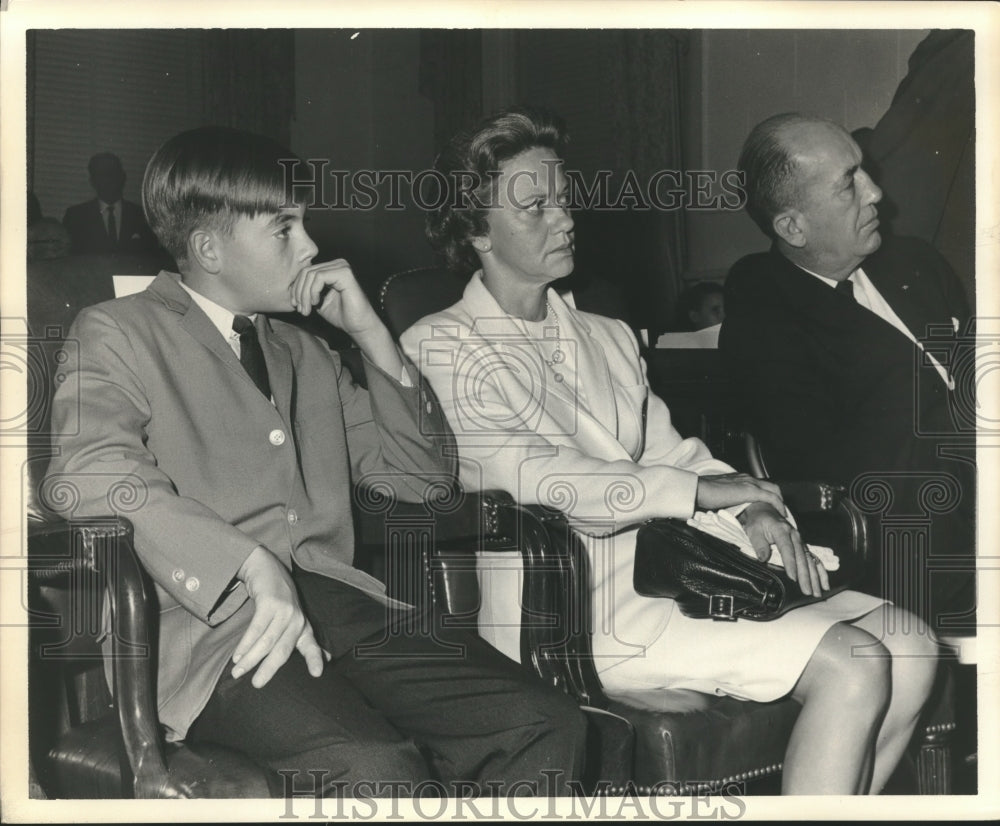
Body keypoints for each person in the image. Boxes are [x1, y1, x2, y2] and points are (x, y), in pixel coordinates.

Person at [401, 107, 938, 795]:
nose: (564, 219)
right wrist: (697, 494)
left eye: (563, 200)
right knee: (857, 659)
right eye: (535, 207)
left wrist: (749, 507)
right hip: (569, 602)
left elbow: (675, 452)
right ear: (475, 230)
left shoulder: (609, 335)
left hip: (676, 574)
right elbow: (536, 477)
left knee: (914, 645)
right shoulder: (438, 346)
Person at [43, 126, 586, 798]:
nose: (311, 246)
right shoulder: (118, 331)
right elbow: (87, 476)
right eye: (285, 228)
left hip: (344, 613)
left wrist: (369, 334)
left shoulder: (306, 353)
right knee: (377, 771)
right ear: (210, 247)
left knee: (547, 723)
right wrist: (245, 560)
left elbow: (421, 479)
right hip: (215, 638)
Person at [718, 113, 975, 635]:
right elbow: (838, 465)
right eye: (848, 185)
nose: (876, 192)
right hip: (906, 537)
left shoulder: (916, 265)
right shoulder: (766, 304)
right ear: (793, 226)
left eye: (865, 171)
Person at [62, 152, 160, 255]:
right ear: (92, 181)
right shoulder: (76, 216)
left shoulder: (142, 216)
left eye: (113, 172)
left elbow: (153, 257)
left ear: (122, 177)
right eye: (101, 174)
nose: (108, 179)